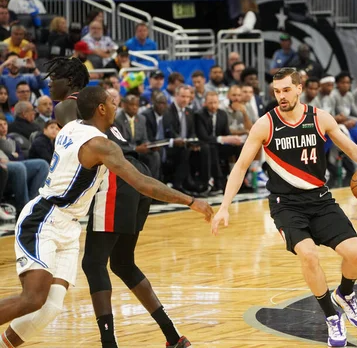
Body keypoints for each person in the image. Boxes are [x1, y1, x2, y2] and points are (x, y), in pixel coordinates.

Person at [0, 85, 213, 348]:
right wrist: (190, 201)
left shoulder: (69, 126)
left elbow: (65, 107)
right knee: (33, 298)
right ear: (101, 108)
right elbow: (142, 183)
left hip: (69, 226)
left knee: (51, 307)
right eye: (113, 102)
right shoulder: (100, 145)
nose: (116, 106)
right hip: (43, 219)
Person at [211, 68, 357, 347]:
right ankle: (331, 316)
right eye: (276, 91)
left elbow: (352, 150)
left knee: (355, 255)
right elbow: (241, 166)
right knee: (308, 255)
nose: (280, 96)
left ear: (298, 88)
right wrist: (224, 206)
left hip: (319, 199)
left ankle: (344, 293)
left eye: (285, 90)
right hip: (286, 205)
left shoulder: (319, 118)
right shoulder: (265, 124)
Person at [46, 58, 199, 348]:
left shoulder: (67, 105)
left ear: (69, 80)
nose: (49, 84)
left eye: (53, 78)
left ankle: (109, 344)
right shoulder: (95, 102)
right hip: (136, 173)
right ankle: (173, 336)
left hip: (116, 179)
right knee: (123, 263)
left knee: (93, 263)